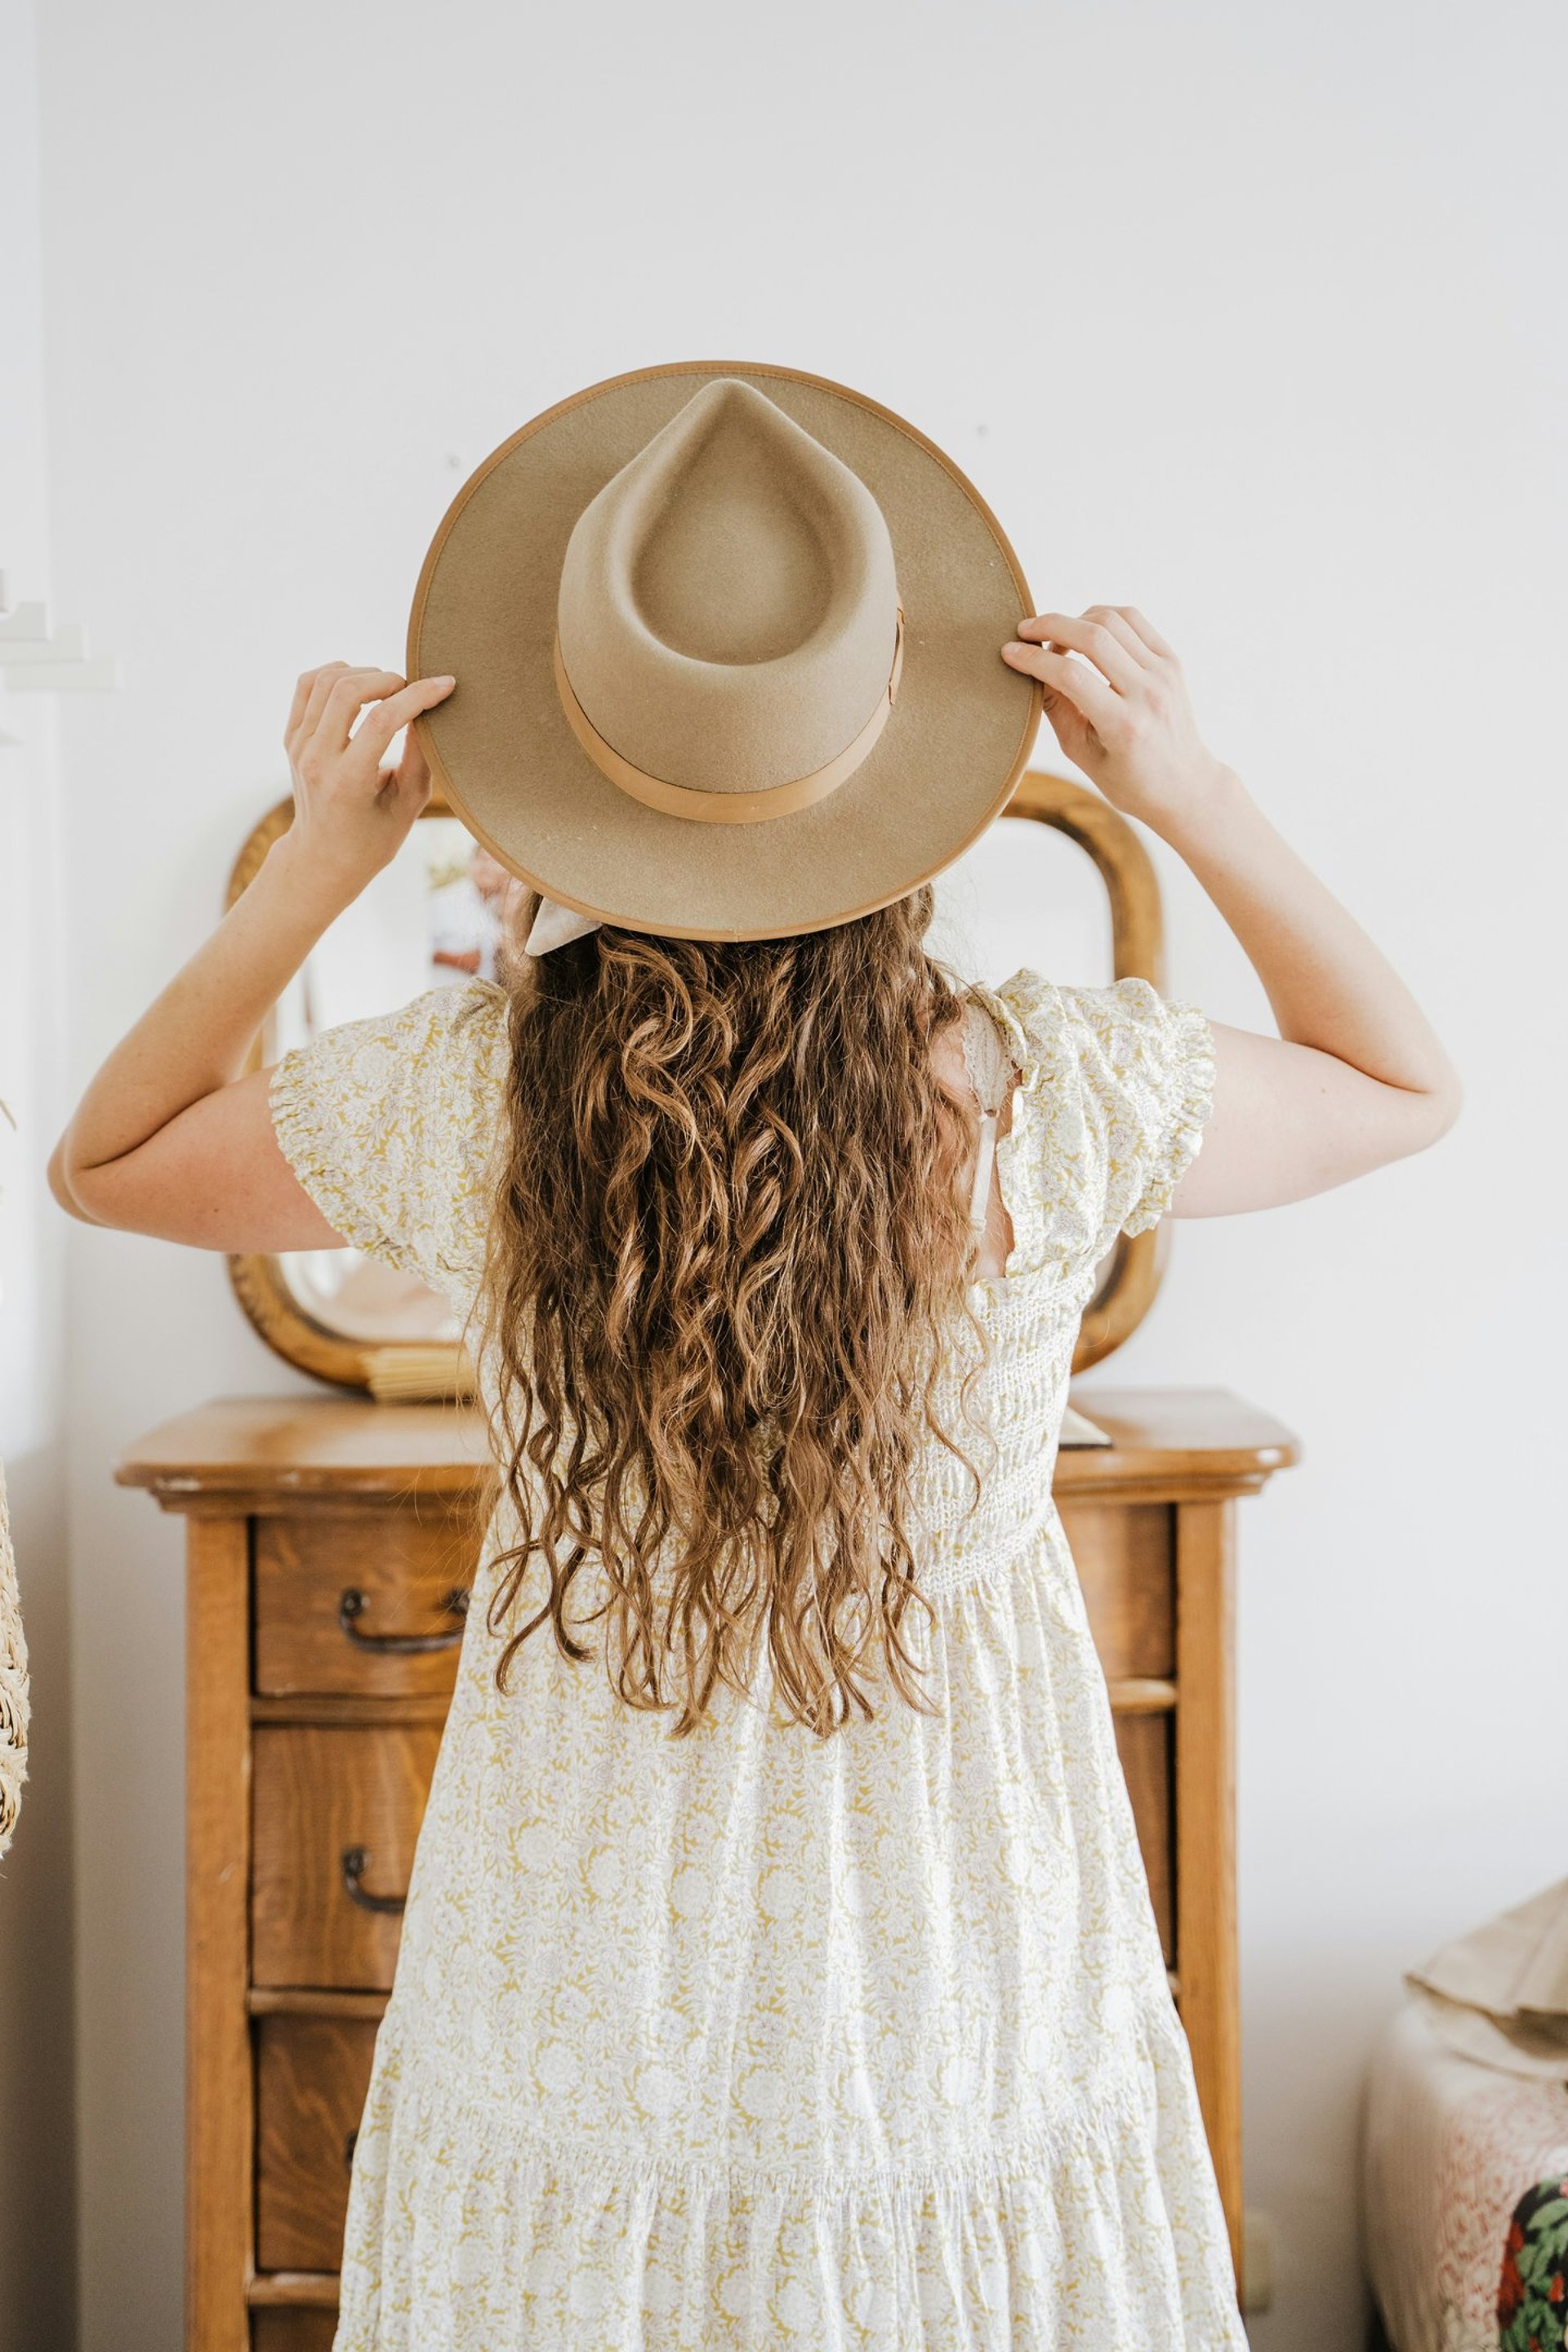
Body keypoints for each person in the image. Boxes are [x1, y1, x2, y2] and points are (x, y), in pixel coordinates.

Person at [51, 372, 1459, 2350]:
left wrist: (318, 862)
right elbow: (1403, 1085)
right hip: (954, 1915)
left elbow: (107, 1165)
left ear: (569, 769)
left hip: (583, 1916)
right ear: (898, 775)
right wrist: (1191, 789)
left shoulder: (486, 1108)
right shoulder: (1045, 1088)